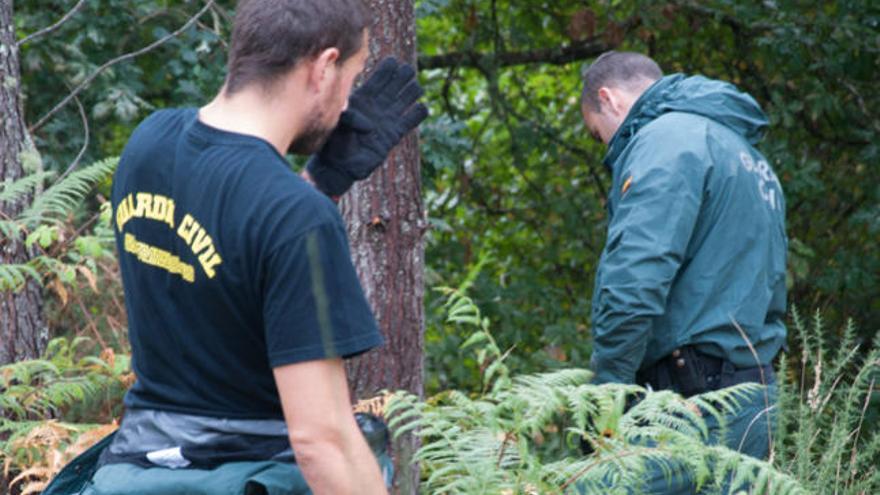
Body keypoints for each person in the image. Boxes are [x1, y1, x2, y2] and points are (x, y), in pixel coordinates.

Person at [45, 1, 428, 494]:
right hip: (243, 476)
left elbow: (225, 260)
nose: (346, 105)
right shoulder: (295, 218)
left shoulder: (148, 145)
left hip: (134, 472)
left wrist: (317, 183)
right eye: (351, 82)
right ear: (325, 66)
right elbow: (321, 441)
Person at [580, 51, 787, 492]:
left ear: (609, 99)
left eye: (599, 136)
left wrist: (607, 399)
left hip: (692, 401)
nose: (609, 150)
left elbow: (635, 278)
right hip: (755, 397)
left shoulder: (663, 142)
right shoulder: (749, 157)